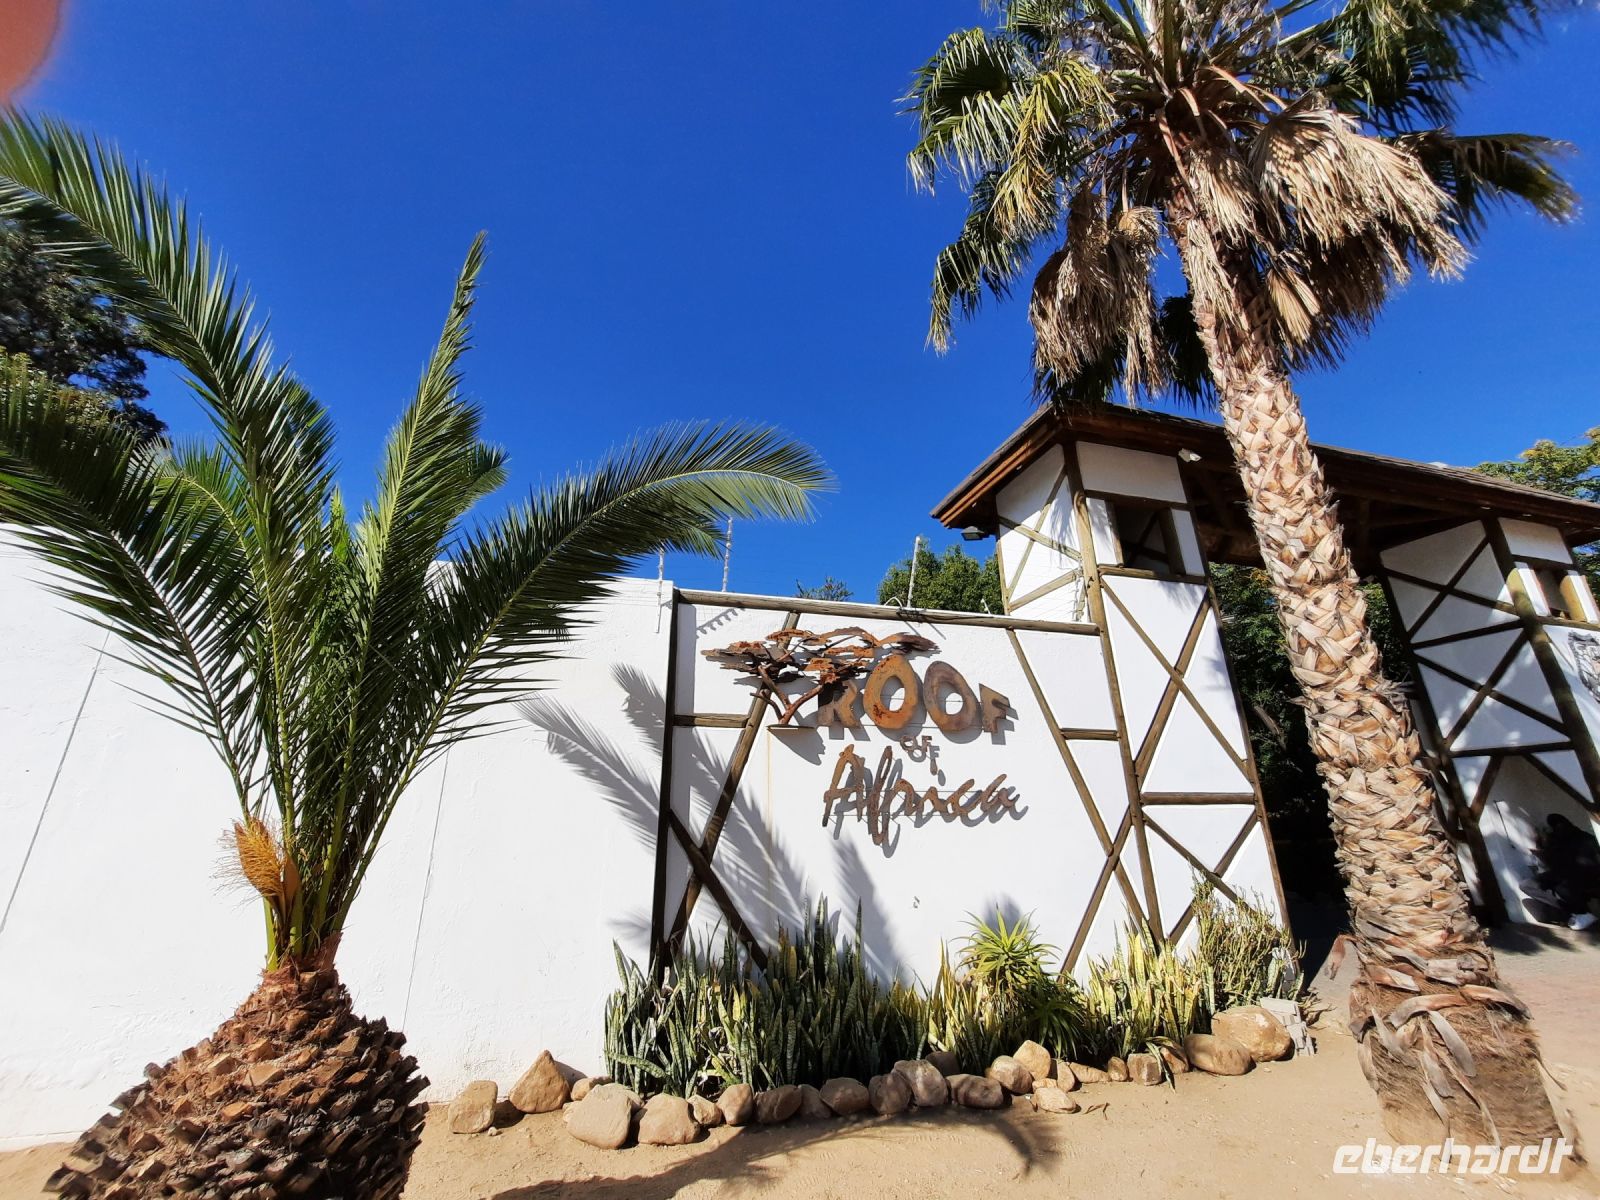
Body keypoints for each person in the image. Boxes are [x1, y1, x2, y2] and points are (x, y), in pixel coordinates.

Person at [1520, 813, 1600, 930]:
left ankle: (1580, 912)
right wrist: (1543, 847)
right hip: (1560, 874)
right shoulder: (1555, 838)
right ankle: (1574, 912)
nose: (1559, 828)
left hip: (1584, 875)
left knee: (1564, 888)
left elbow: (1589, 863)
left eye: (1560, 825)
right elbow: (1552, 861)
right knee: (1526, 885)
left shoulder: (1585, 838)